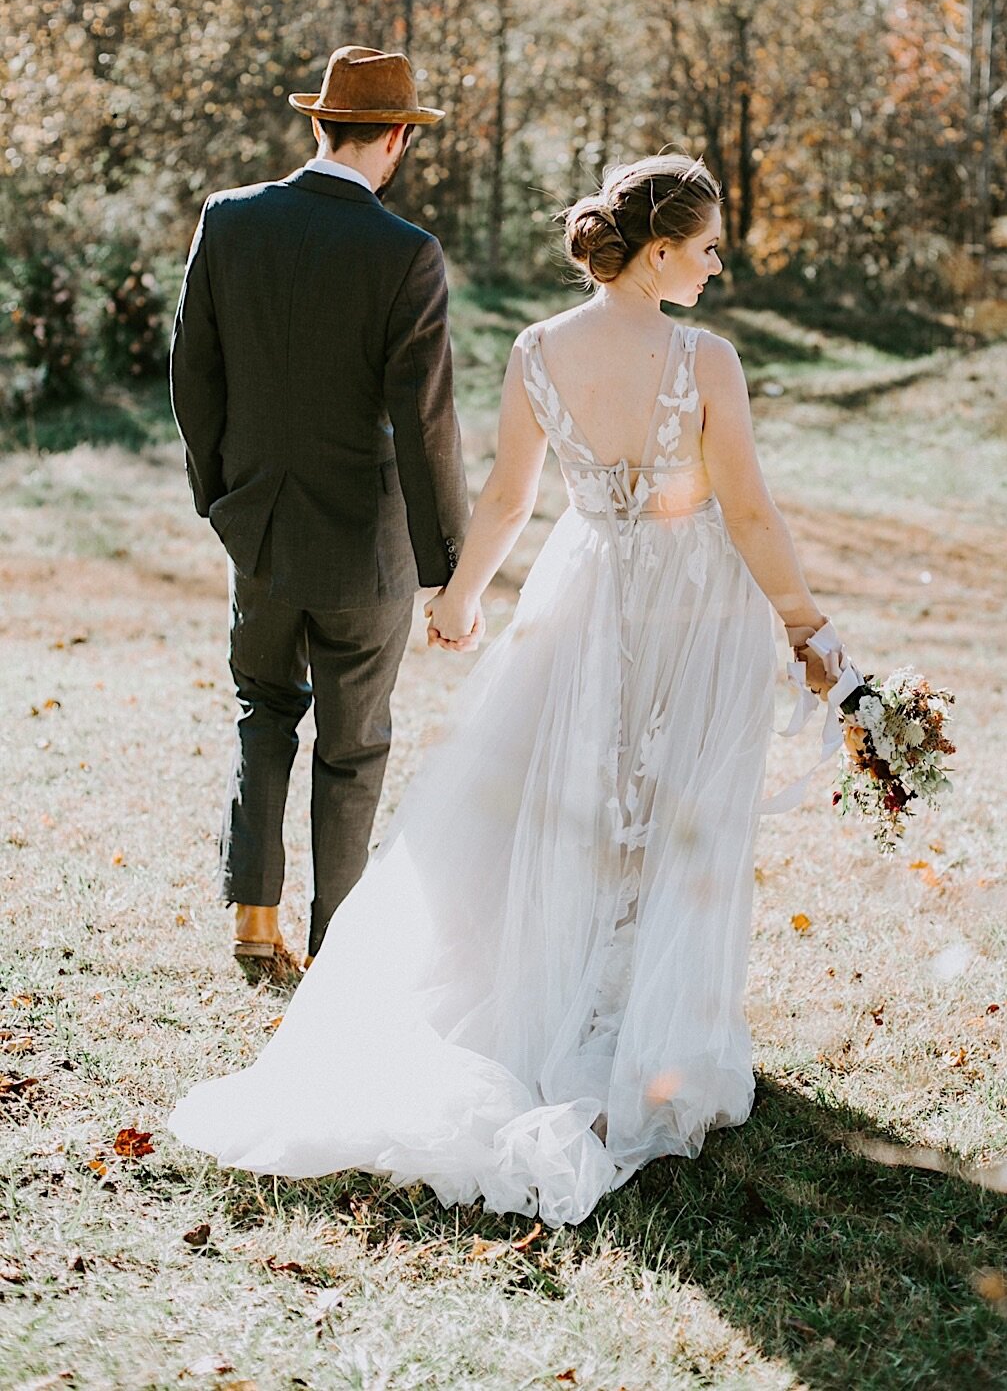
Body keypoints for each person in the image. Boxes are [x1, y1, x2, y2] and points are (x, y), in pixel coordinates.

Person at [169, 153, 842, 1225]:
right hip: (689, 603)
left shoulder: (538, 352)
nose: (718, 268)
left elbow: (510, 499)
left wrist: (461, 599)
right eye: (708, 248)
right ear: (660, 251)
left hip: (584, 590)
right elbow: (749, 511)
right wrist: (807, 625)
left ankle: (583, 1007)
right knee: (671, 814)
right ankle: (637, 1032)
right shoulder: (704, 361)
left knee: (572, 800)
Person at [170, 45, 470, 983]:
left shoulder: (229, 221)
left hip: (258, 528)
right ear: (393, 140)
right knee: (355, 746)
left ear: (317, 125)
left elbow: (193, 375)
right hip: (364, 551)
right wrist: (446, 564)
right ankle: (338, 945)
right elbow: (425, 424)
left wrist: (223, 498)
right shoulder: (406, 253)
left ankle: (252, 926)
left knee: (263, 710)